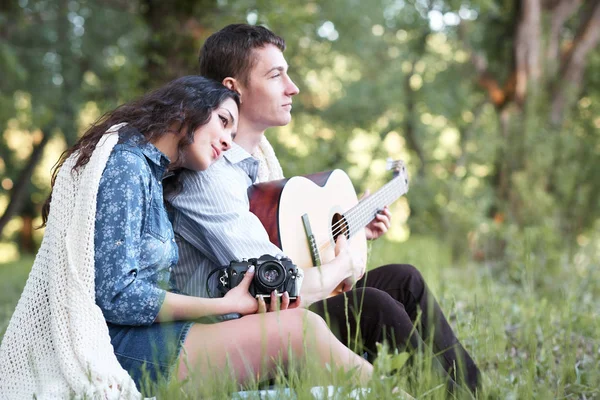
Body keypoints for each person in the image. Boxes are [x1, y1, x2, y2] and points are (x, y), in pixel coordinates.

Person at [0, 76, 372, 399]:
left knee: (300, 332)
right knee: (300, 330)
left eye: (232, 132)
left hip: (149, 335)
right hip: (117, 345)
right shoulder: (127, 164)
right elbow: (118, 296)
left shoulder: (153, 174)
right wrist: (224, 305)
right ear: (185, 110)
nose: (227, 140)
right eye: (223, 122)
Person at [168, 25, 482, 394]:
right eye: (275, 75)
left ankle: (476, 392)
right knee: (372, 306)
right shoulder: (210, 175)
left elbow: (286, 249)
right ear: (233, 87)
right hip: (237, 328)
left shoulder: (260, 168)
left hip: (277, 308)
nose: (293, 87)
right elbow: (280, 282)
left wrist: (348, 232)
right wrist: (344, 264)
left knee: (404, 279)